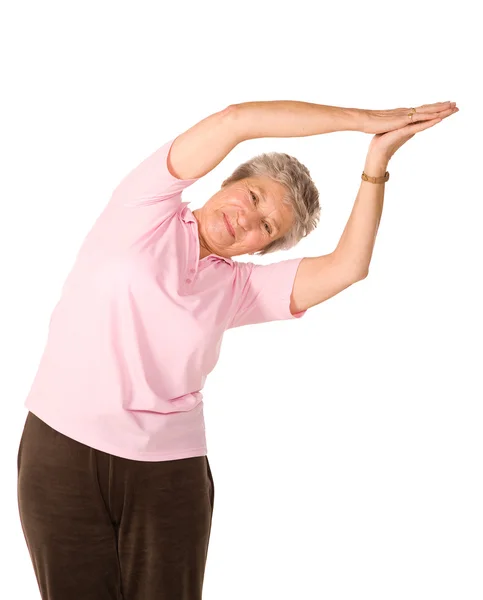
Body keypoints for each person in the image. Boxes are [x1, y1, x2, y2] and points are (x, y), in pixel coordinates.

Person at [16, 99, 458, 600]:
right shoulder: (145, 206)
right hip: (62, 448)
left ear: (260, 250)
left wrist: (375, 164)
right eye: (251, 196)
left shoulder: (238, 288)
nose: (247, 219)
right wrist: (362, 121)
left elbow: (348, 266)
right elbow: (236, 121)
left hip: (168, 469)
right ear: (226, 182)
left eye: (267, 227)